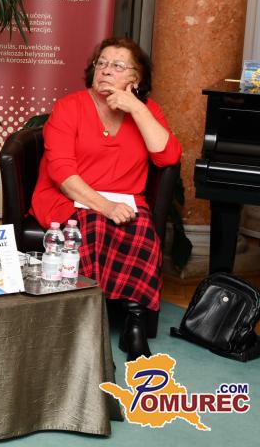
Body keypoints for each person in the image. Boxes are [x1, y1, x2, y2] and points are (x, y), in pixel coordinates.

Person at [30, 36, 181, 360]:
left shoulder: (147, 111)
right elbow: (62, 173)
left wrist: (136, 108)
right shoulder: (69, 107)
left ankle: (134, 325)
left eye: (118, 66)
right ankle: (87, 320)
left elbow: (167, 157)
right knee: (93, 227)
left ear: (136, 79)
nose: (106, 70)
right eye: (102, 63)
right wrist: (106, 206)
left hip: (124, 198)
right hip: (69, 197)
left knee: (140, 230)